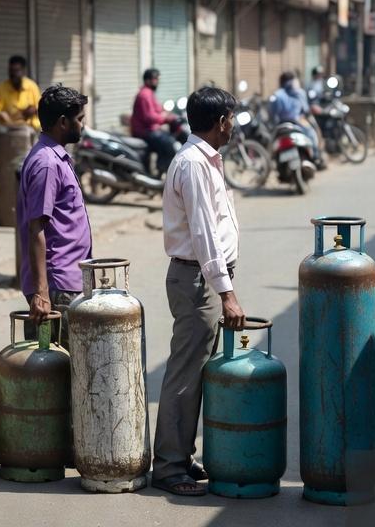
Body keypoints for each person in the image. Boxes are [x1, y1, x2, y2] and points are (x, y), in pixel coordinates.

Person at [152, 86, 246, 497]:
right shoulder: (192, 164)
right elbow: (204, 233)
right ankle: (169, 467)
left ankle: (181, 455)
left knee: (200, 370)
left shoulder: (207, 160)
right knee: (186, 373)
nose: (234, 127)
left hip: (204, 276)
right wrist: (225, 292)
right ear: (220, 121)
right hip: (197, 279)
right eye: (232, 119)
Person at [17, 85, 92, 347]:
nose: (83, 125)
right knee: (58, 370)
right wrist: (42, 292)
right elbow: (35, 226)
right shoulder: (47, 163)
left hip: (68, 280)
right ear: (63, 122)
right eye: (79, 119)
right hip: (58, 286)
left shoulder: (57, 157)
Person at [131, 69, 178, 176]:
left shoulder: (149, 93)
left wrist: (168, 113)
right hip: (143, 131)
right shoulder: (144, 95)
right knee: (168, 143)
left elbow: (157, 109)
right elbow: (149, 117)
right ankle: (162, 172)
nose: (157, 82)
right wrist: (165, 118)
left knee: (169, 137)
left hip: (150, 129)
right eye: (155, 79)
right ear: (147, 80)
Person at [269, 72, 322, 164]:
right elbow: (305, 110)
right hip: (298, 121)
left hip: (281, 124)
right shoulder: (299, 92)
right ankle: (316, 158)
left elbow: (272, 113)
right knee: (312, 134)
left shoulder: (276, 95)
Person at [0, 55, 42, 131]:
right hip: (9, 129)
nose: (13, 75)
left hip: (30, 128)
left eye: (17, 71)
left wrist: (33, 110)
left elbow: (41, 107)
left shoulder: (32, 86)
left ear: (23, 71)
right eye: (11, 71)